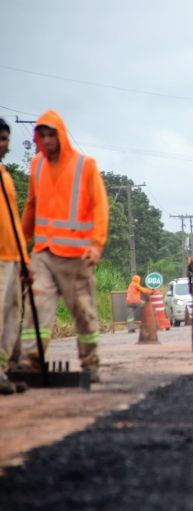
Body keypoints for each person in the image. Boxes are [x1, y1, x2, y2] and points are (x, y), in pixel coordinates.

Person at [12, 110, 109, 383]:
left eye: (50, 135)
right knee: (37, 303)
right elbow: (31, 206)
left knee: (83, 311)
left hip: (76, 255)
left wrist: (96, 244)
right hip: (43, 251)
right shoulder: (37, 165)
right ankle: (31, 359)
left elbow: (100, 206)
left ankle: (90, 363)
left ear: (61, 135)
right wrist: (22, 244)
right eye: (41, 136)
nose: (46, 140)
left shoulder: (85, 165)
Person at [0, 119, 29, 394]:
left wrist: (23, 260)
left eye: (5, 138)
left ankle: (3, 370)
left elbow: (13, 222)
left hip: (11, 257)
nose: (3, 144)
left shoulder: (6, 176)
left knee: (11, 314)